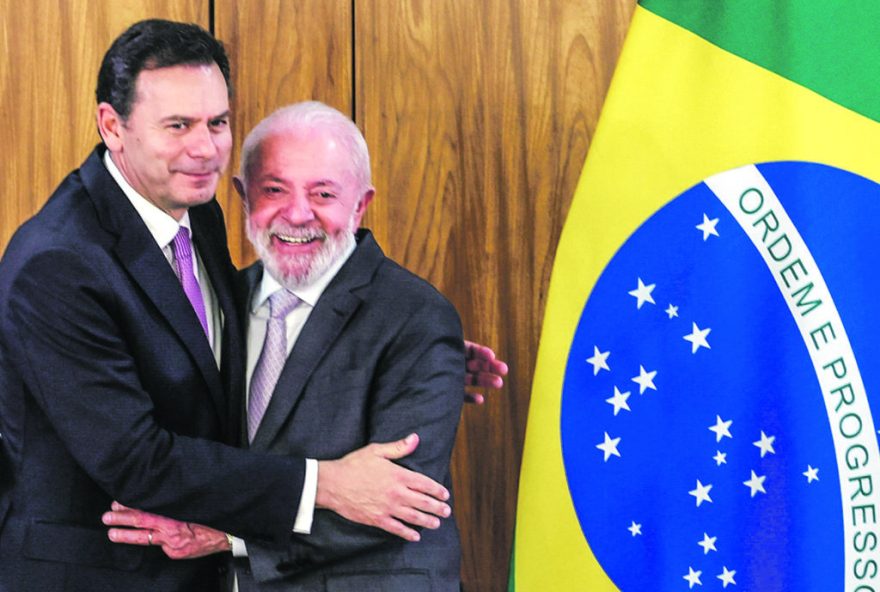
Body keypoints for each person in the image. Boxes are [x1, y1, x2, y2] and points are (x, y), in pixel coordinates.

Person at [0, 20, 503, 592]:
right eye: (178, 125)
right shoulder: (58, 262)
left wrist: (405, 349)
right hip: (95, 572)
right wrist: (323, 485)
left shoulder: (195, 209)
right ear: (112, 126)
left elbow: (199, 346)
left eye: (217, 123)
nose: (204, 147)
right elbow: (137, 460)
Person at [106, 101, 465, 591]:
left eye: (323, 193)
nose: (297, 214)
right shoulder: (220, 301)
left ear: (360, 204)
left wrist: (224, 536)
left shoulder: (418, 318)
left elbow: (399, 504)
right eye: (274, 189)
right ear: (243, 196)